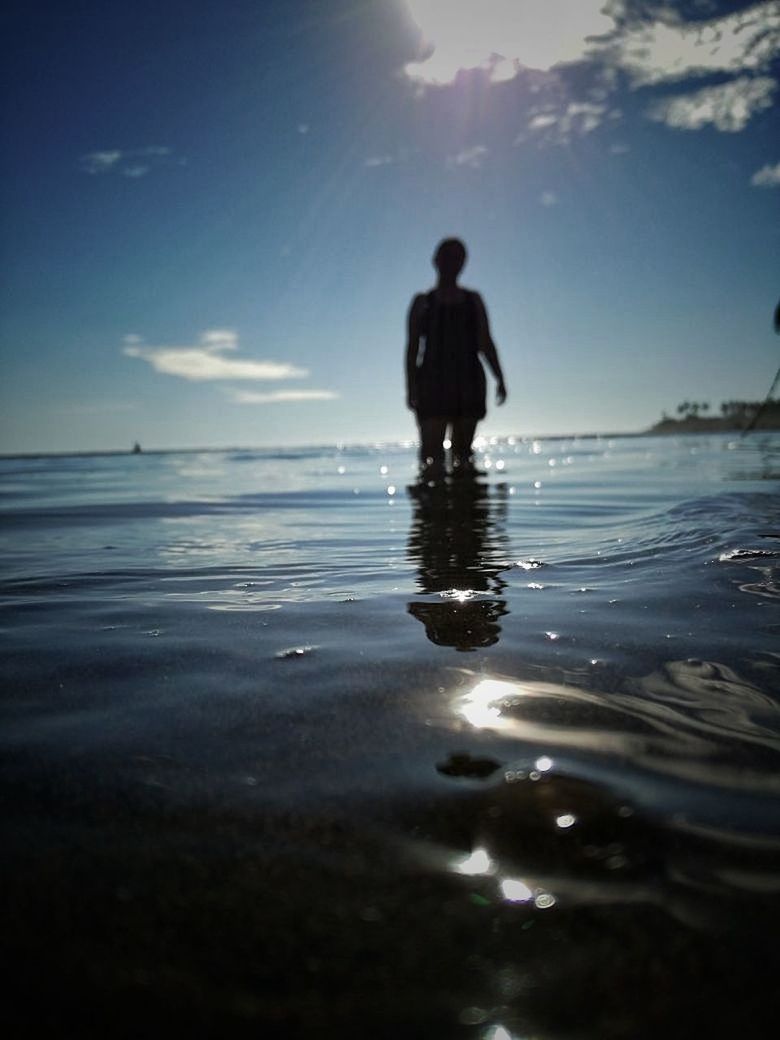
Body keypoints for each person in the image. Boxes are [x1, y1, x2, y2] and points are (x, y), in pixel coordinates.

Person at [406, 238, 507, 477]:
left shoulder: (473, 301)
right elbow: (412, 348)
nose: (452, 263)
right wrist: (411, 387)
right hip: (432, 384)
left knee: (463, 455)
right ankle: (431, 509)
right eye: (447, 257)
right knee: (431, 456)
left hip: (468, 383)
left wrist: (500, 378)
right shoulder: (423, 303)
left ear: (463, 264)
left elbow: (485, 342)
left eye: (458, 258)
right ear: (436, 261)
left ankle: (468, 509)